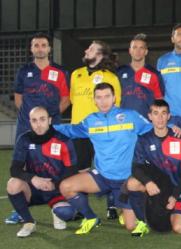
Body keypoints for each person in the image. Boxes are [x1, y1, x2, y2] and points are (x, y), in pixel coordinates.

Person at [56, 83, 152, 235]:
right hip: (102, 176)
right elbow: (71, 130)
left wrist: (172, 128)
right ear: (94, 100)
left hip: (126, 178)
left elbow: (152, 130)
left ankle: (142, 202)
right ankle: (91, 218)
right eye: (99, 97)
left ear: (114, 98)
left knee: (131, 226)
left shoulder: (130, 115)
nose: (103, 101)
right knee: (66, 187)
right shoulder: (91, 120)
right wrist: (49, 128)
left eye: (107, 96)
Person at [6, 33, 71, 224]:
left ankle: (58, 201)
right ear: (32, 49)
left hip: (53, 126)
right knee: (23, 165)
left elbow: (66, 99)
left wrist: (49, 120)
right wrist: (33, 119)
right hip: (27, 126)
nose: (40, 48)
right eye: (36, 45)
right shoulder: (23, 71)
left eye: (43, 45)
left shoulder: (60, 71)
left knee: (56, 163)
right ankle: (21, 210)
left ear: (49, 48)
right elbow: (18, 98)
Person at [69, 40, 122, 219]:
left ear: (99, 55)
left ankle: (112, 206)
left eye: (90, 49)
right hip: (80, 131)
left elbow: (116, 106)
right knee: (81, 169)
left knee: (107, 168)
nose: (86, 51)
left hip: (102, 132)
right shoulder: (76, 74)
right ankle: (82, 209)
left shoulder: (111, 78)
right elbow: (73, 100)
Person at [125, 99, 181, 236]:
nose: (160, 118)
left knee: (178, 228)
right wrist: (147, 182)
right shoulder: (144, 140)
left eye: (163, 113)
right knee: (132, 183)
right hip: (157, 188)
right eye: (155, 113)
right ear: (150, 116)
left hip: (178, 189)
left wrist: (175, 195)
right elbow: (136, 167)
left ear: (169, 116)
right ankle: (143, 219)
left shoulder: (179, 138)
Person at [7, 107, 78, 237]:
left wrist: (55, 185)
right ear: (30, 122)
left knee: (66, 213)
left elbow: (72, 170)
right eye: (34, 120)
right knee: (13, 184)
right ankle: (29, 222)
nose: (38, 124)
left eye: (42, 119)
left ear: (49, 120)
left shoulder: (63, 140)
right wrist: (33, 178)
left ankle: (56, 211)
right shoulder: (24, 139)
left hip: (56, 189)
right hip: (34, 188)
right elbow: (14, 169)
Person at [116, 33, 165, 118]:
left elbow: (159, 101)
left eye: (141, 48)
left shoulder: (154, 74)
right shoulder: (119, 72)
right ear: (130, 50)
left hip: (146, 123)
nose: (138, 51)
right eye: (134, 47)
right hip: (123, 122)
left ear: (146, 51)